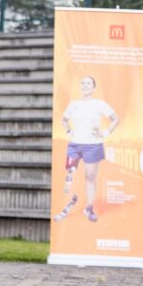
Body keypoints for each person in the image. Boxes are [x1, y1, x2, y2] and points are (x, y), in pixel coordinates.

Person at [54, 75, 119, 223]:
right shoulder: (73, 104)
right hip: (75, 145)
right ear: (80, 87)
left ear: (94, 88)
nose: (85, 85)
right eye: (83, 83)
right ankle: (68, 205)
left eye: (89, 83)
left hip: (93, 145)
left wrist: (105, 133)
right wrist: (69, 131)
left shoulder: (100, 104)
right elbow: (64, 120)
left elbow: (116, 119)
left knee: (90, 177)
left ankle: (88, 208)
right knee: (69, 174)